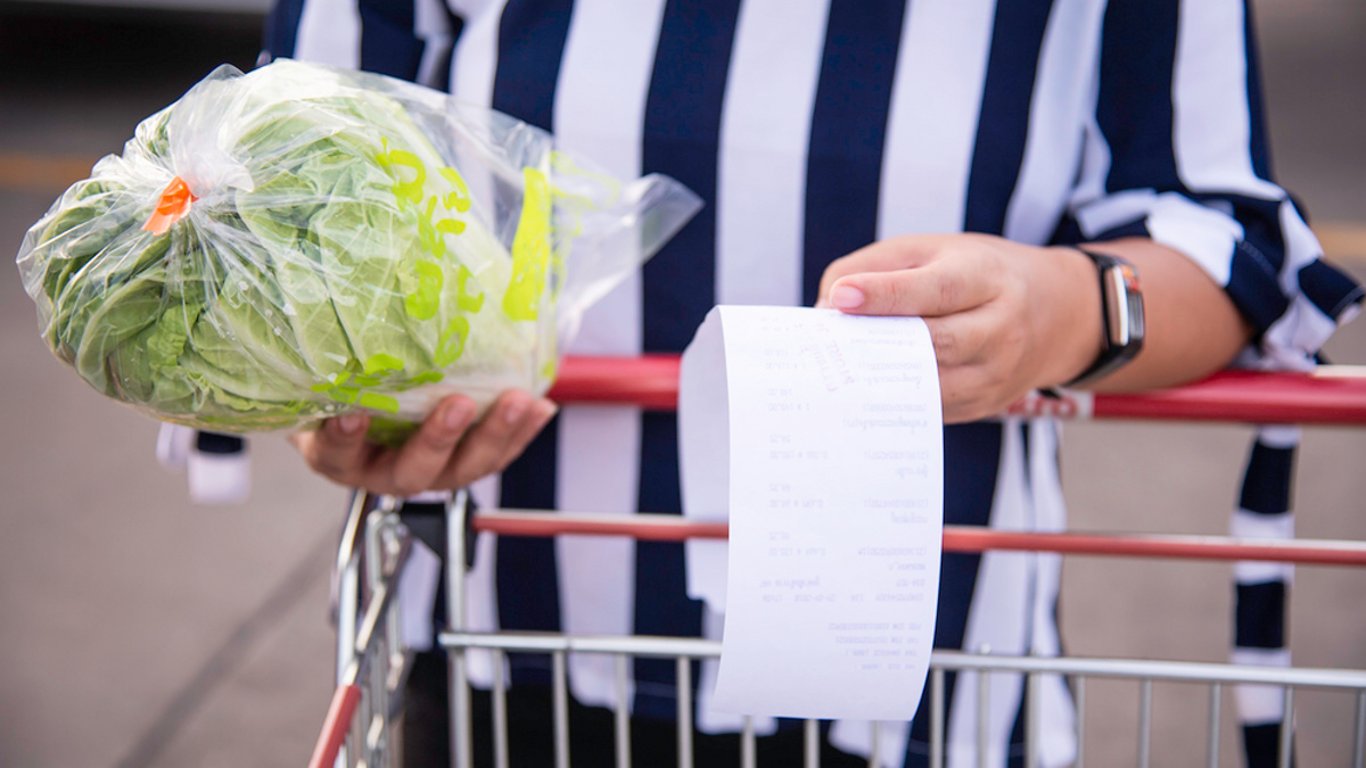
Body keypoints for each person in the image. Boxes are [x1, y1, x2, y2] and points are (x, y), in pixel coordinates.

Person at [266, 1, 1362, 766]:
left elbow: (1229, 242)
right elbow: (281, 189)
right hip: (506, 642)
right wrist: (326, 391)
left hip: (925, 663)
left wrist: (1061, 310)